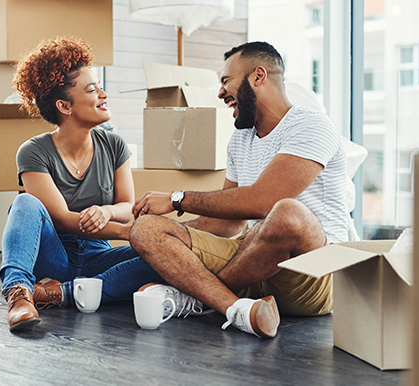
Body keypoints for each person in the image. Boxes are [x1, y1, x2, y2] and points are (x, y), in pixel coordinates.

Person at [129, 41, 348, 339]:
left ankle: (201, 299)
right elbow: (225, 223)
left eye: (225, 81)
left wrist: (177, 199)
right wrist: (164, 234)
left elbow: (263, 203)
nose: (220, 93)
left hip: (314, 271)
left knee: (287, 213)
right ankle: (238, 310)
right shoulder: (240, 140)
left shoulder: (312, 126)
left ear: (258, 77)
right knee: (146, 229)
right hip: (252, 263)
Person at [0, 36, 163, 331]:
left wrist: (108, 212)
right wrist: (130, 234)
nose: (103, 94)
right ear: (65, 105)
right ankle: (19, 293)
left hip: (98, 255)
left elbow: (127, 206)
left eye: (99, 86)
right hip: (53, 257)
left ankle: (58, 293)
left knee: (167, 256)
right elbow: (61, 220)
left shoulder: (114, 145)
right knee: (23, 202)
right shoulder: (33, 151)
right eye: (92, 89)